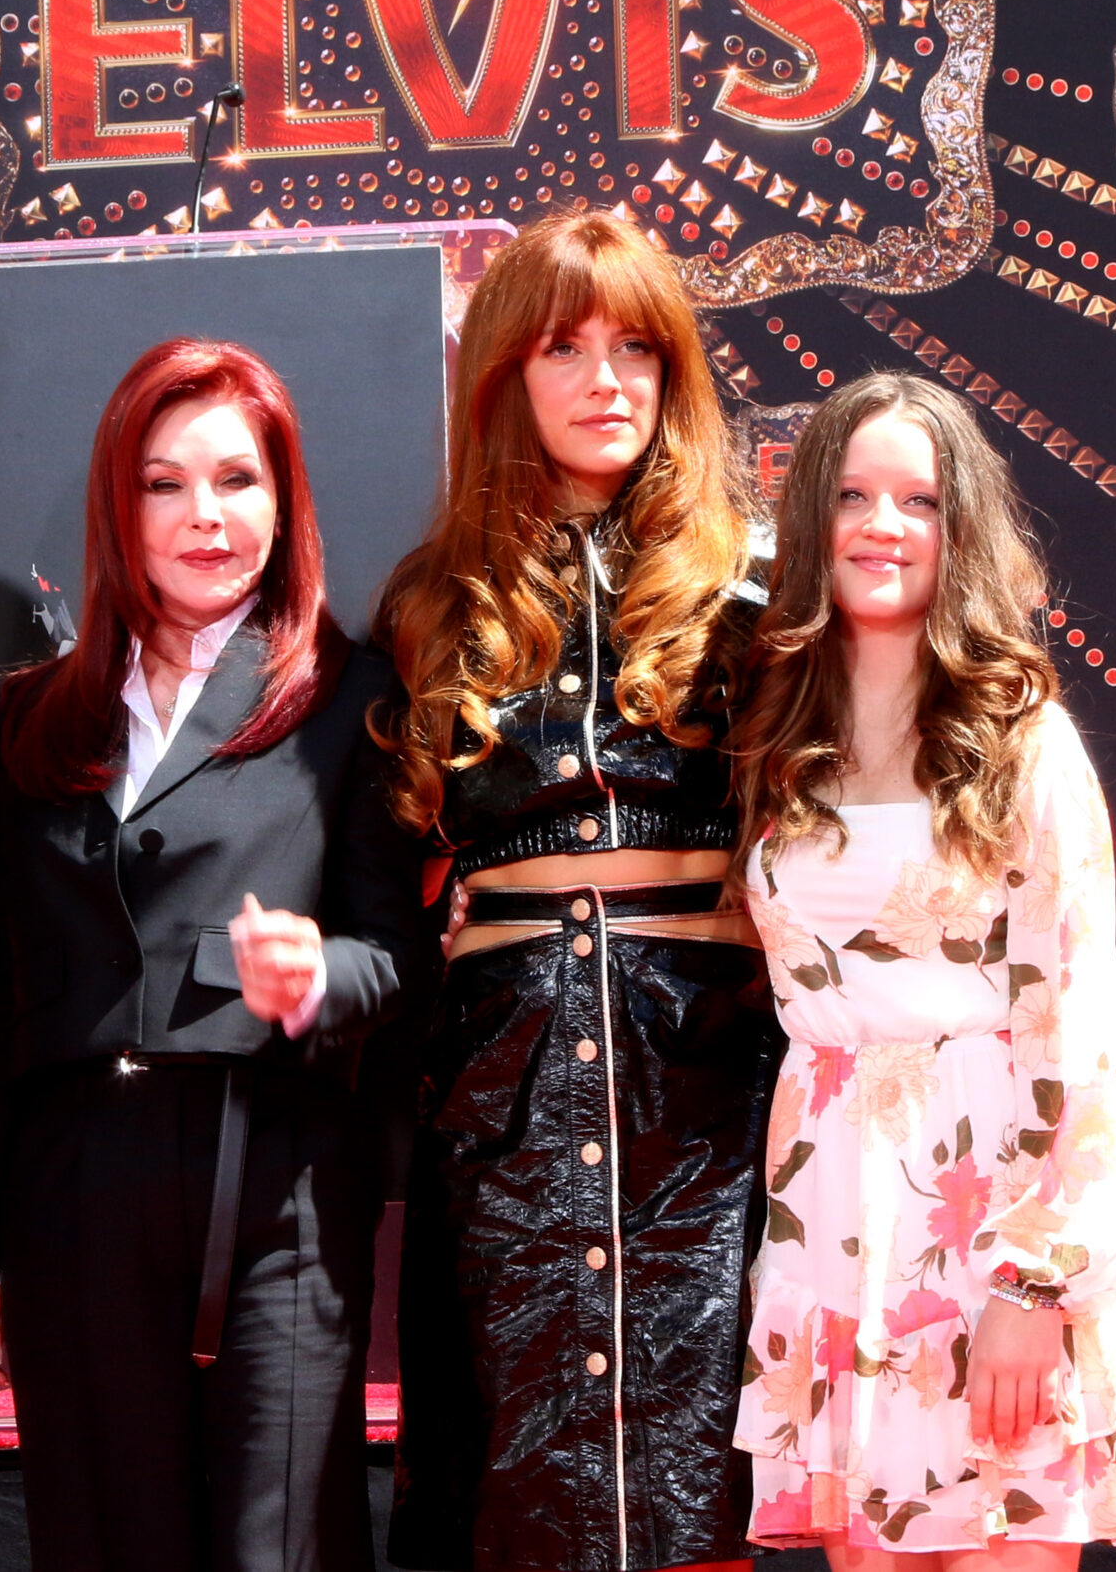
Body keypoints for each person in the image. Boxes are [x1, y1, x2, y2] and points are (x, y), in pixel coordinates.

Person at [0, 337, 433, 1572]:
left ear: (285, 497)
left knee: (281, 1548)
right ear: (120, 503)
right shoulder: (38, 717)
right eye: (165, 484)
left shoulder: (350, 699)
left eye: (237, 480)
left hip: (273, 1191)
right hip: (71, 1204)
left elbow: (401, 959)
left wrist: (316, 977)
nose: (205, 517)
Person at [728, 373, 1116, 1565]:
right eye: (849, 493)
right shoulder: (774, 734)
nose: (880, 525)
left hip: (993, 1209)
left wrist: (1031, 1288)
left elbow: (1079, 1027)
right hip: (837, 1212)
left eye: (917, 500)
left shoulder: (1023, 741)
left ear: (962, 527)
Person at [374, 207, 784, 1572]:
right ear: (504, 372)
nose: (608, 378)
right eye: (565, 347)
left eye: (638, 349)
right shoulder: (432, 605)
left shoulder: (751, 591)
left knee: (704, 1457)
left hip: (712, 1076)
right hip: (502, 1072)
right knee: (513, 1466)